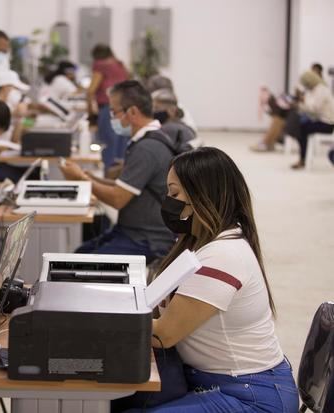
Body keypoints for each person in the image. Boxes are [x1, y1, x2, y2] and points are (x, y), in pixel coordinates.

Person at [113, 147, 298, 412]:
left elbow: (165, 334)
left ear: (202, 195)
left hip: (251, 397)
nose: (168, 201)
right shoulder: (203, 242)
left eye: (174, 194)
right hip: (219, 383)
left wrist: (100, 318)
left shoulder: (222, 255)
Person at [61, 80, 175, 261]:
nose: (111, 117)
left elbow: (117, 198)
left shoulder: (147, 148)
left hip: (147, 239)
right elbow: (126, 185)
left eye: (114, 112)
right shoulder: (149, 139)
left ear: (133, 112)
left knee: (77, 263)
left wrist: (82, 179)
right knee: (80, 254)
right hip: (132, 230)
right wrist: (91, 178)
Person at [251, 63, 325, 152]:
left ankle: (266, 142)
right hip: (304, 111)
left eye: (314, 73)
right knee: (278, 116)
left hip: (310, 115)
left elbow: (314, 107)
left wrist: (300, 101)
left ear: (319, 73)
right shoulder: (312, 87)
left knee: (279, 115)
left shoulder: (321, 88)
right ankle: (268, 142)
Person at [87, 44, 130, 171]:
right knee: (120, 146)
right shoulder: (119, 64)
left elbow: (91, 91)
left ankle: (107, 176)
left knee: (107, 144)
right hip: (124, 108)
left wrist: (91, 114)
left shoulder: (100, 65)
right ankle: (119, 178)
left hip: (108, 107)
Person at [289, 69, 334, 169]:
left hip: (328, 124)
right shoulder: (313, 90)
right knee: (298, 125)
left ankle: (303, 159)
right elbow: (309, 109)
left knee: (301, 128)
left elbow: (314, 108)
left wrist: (302, 100)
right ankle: (303, 158)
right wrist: (299, 104)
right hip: (319, 120)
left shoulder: (322, 89)